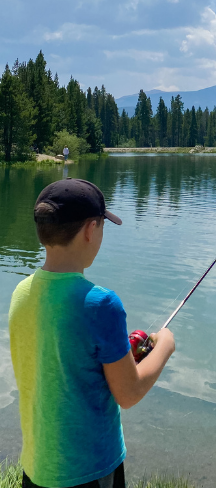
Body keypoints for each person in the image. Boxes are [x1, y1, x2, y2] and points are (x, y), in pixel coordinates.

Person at [8, 179, 176, 488]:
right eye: (102, 227)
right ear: (89, 230)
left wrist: (117, 355)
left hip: (35, 467)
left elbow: (63, 359)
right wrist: (164, 345)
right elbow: (129, 393)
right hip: (89, 472)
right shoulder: (102, 304)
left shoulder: (20, 293)